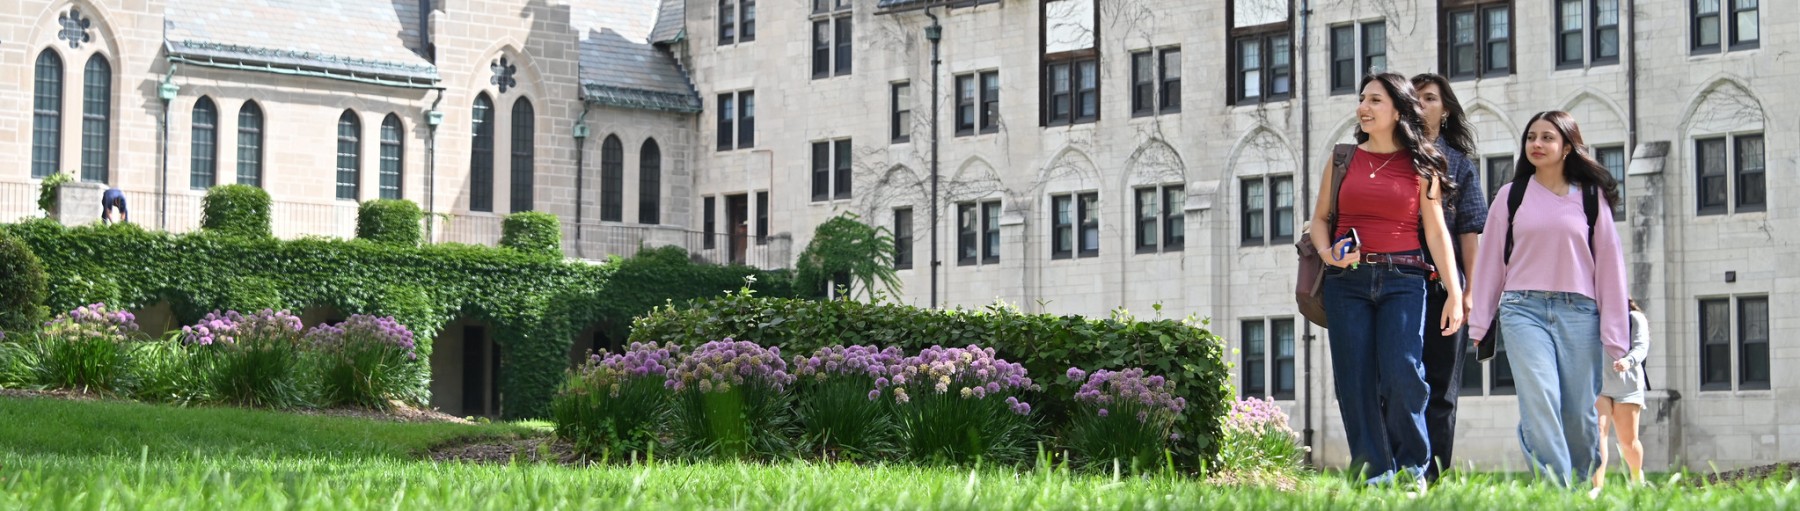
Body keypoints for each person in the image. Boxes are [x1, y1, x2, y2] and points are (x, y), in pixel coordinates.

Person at [1309, 72, 1465, 488]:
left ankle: (1412, 469)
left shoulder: (1422, 166)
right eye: (1362, 99)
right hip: (1348, 282)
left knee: (1403, 373)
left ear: (1398, 110)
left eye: (1375, 100)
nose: (1363, 107)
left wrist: (1455, 292)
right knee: (1354, 380)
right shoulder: (1343, 159)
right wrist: (1329, 256)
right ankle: (1374, 473)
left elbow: (1436, 232)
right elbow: (1320, 221)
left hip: (1405, 279)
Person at [1467, 110, 1629, 488]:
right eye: (1531, 137)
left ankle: (1579, 481)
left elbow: (1610, 265)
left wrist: (1616, 336)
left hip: (1579, 312)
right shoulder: (1511, 196)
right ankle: (1557, 490)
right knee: (1540, 399)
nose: (1536, 144)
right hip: (1523, 310)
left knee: (1577, 413)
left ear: (1568, 147)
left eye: (1547, 138)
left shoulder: (1591, 197)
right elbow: (1491, 259)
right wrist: (1481, 320)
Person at [1411, 73, 1488, 482]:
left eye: (1430, 98)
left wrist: (1471, 290)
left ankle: (1433, 476)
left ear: (1446, 110)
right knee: (1398, 383)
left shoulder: (1458, 163)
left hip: (1444, 289)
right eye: (1414, 97)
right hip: (1394, 285)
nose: (1421, 104)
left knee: (1441, 389)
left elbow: (1470, 232)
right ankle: (1395, 470)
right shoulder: (1386, 157)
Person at [1594, 299, 1651, 490]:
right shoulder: (1593, 317)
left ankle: (1637, 479)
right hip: (1599, 386)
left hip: (1628, 386)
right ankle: (1597, 488)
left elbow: (1641, 346)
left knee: (1628, 442)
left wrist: (1628, 361)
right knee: (1598, 433)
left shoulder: (1634, 318)